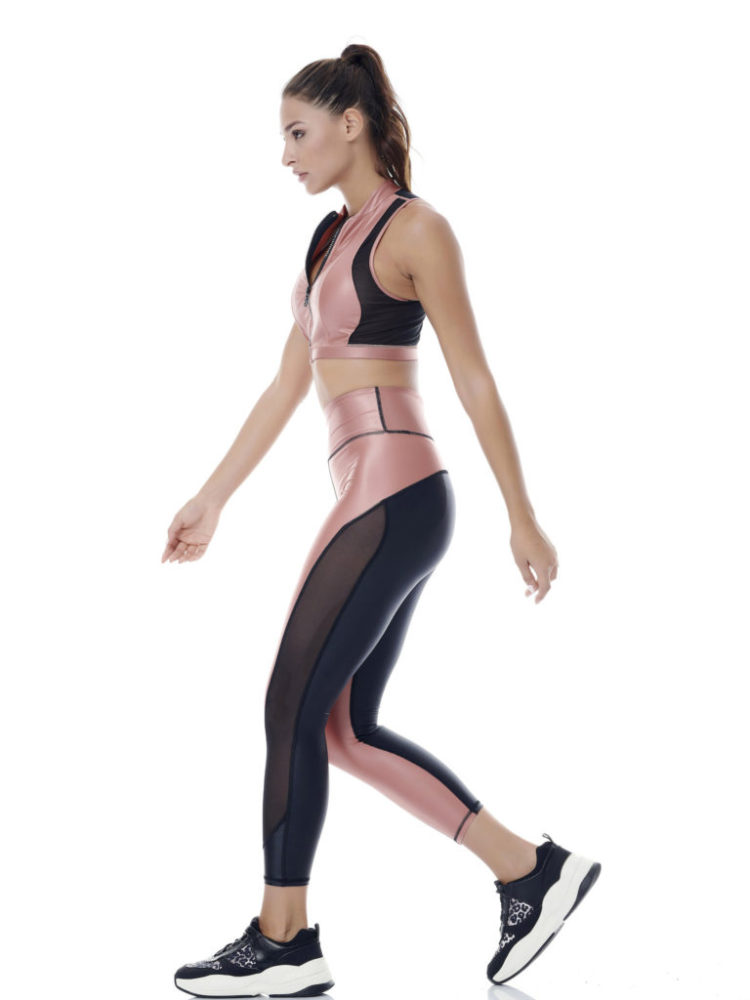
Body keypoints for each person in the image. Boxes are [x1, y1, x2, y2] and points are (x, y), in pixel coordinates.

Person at [164, 43, 601, 998]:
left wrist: (523, 518)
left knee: (289, 703)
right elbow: (288, 386)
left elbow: (474, 378)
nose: (285, 154)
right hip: (368, 495)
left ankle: (285, 939)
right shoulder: (327, 242)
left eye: (297, 132)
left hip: (396, 493)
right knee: (341, 729)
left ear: (350, 122)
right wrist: (213, 497)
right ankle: (529, 870)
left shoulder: (416, 229)